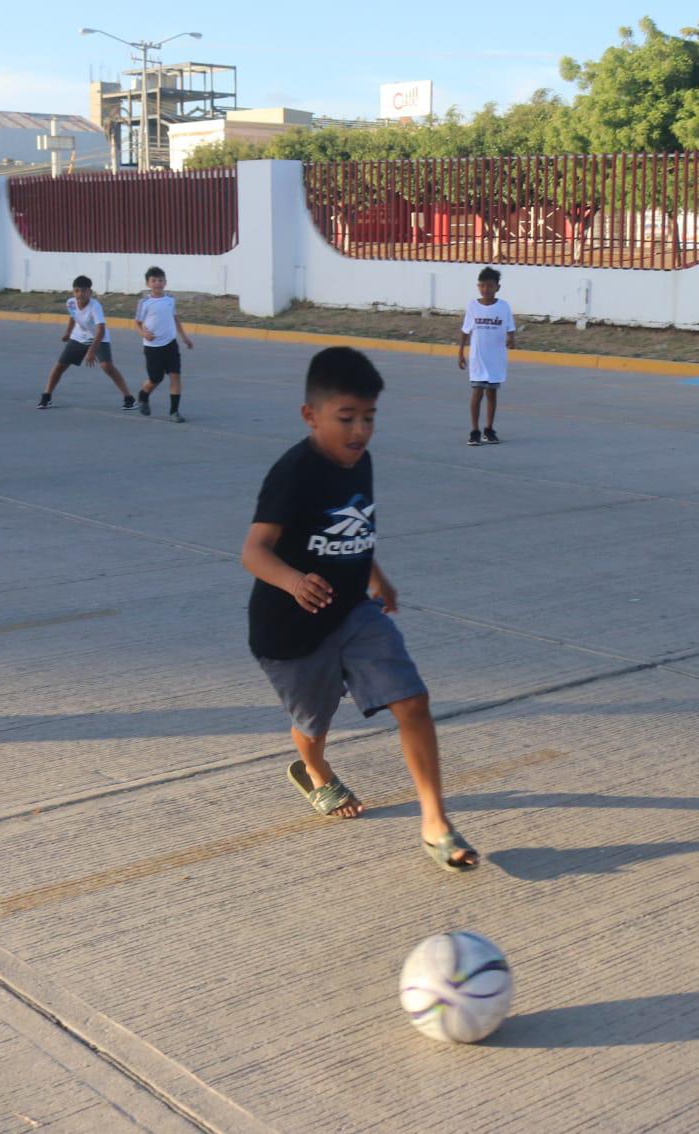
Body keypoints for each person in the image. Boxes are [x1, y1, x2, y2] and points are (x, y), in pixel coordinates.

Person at [241, 346, 479, 873]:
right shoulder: (294, 472)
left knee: (412, 700)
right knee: (313, 722)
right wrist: (294, 580)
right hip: (291, 631)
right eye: (345, 419)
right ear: (311, 415)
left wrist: (377, 577)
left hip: (353, 612)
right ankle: (314, 770)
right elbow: (253, 551)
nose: (359, 432)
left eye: (368, 418)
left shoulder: (361, 462)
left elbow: (356, 526)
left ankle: (436, 822)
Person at [38, 275, 135, 410]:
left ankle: (129, 398)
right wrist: (68, 332)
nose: (80, 294)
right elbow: (73, 316)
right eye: (77, 291)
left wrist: (91, 351)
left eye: (83, 291)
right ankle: (46, 397)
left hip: (99, 337)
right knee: (60, 366)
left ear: (90, 292)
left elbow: (101, 329)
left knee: (107, 366)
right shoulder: (70, 302)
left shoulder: (95, 306)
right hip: (79, 336)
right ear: (73, 292)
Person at [457, 266, 516, 446]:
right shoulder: (473, 306)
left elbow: (510, 330)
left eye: (490, 286)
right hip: (478, 358)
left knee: (491, 393)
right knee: (477, 392)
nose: (486, 290)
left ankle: (488, 429)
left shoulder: (503, 307)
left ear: (497, 287)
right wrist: (460, 352)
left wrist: (510, 340)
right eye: (482, 286)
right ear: (478, 287)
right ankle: (474, 430)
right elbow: (465, 331)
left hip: (495, 359)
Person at [133, 266, 193, 422]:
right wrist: (143, 333)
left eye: (160, 280)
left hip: (170, 345)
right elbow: (137, 323)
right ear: (148, 283)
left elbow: (175, 319)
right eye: (154, 281)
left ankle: (174, 412)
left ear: (165, 282)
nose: (157, 283)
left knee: (175, 376)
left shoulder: (170, 299)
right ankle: (143, 395)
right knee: (155, 378)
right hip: (152, 347)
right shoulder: (144, 302)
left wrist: (184, 337)